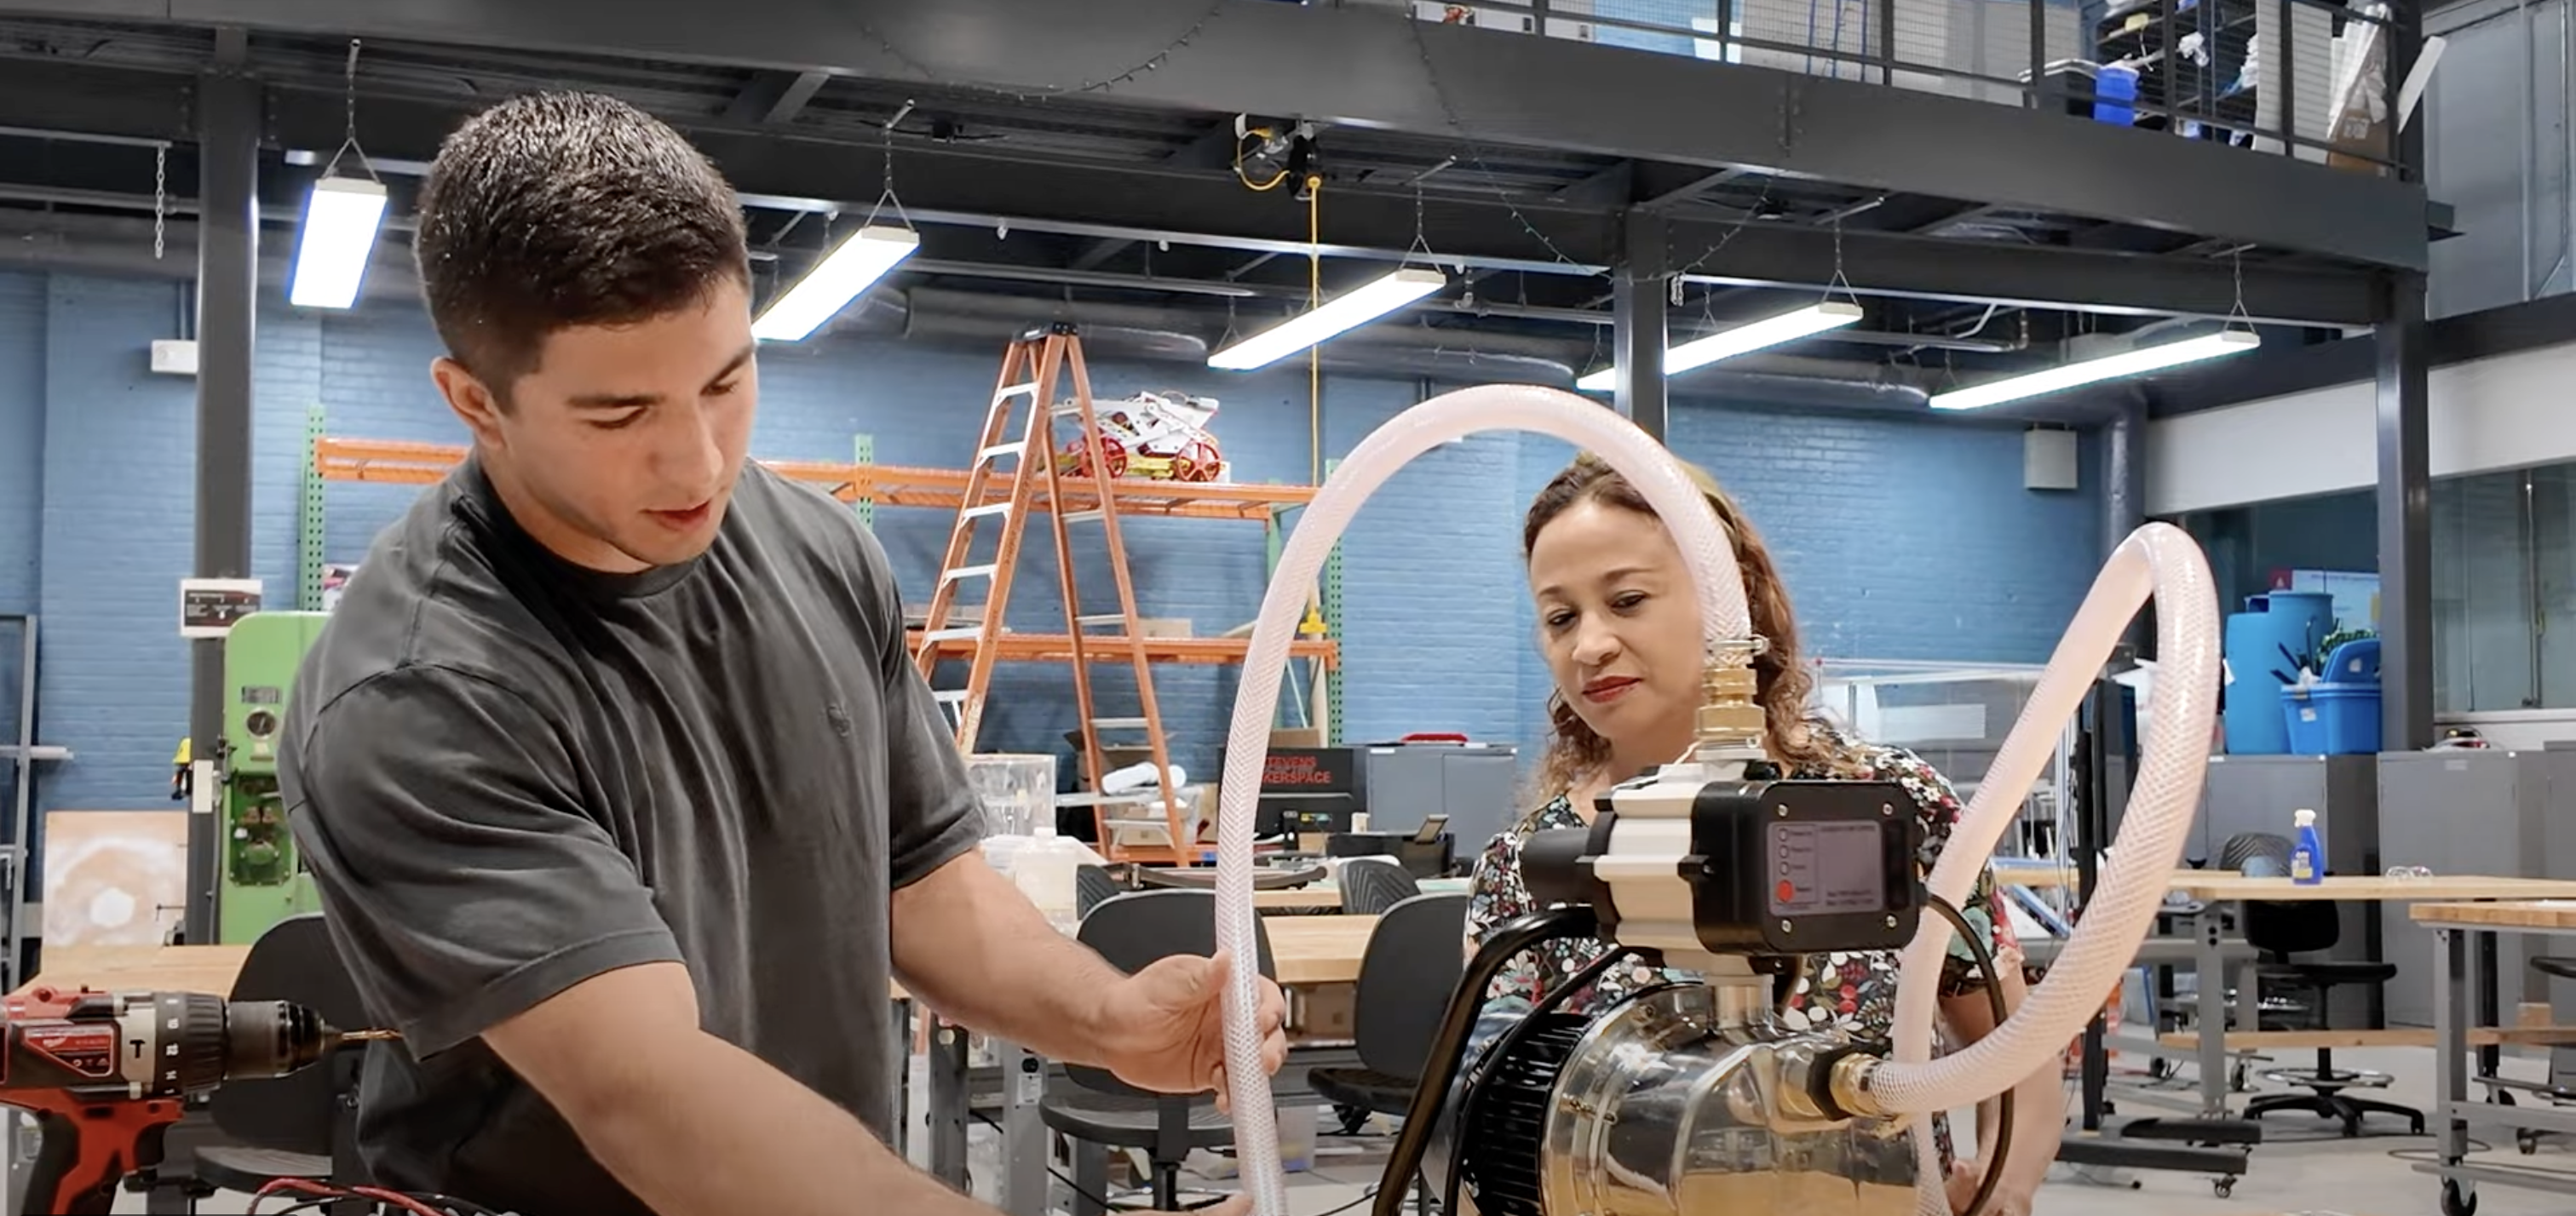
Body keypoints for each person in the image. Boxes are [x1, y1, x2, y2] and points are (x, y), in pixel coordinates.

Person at [278, 91, 1283, 1216]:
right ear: (477, 403)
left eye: (726, 381)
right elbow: (650, 1099)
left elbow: (922, 884)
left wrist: (1112, 1018)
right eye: (621, 415)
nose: (697, 463)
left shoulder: (816, 552)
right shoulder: (419, 690)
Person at [1464, 451, 2061, 1216]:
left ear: (1729, 596)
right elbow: (1484, 1121)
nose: (1589, 646)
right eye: (1560, 617)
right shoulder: (1532, 866)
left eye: (1628, 599)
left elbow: (2014, 1052)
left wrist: (2003, 1189)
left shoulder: (1887, 805)